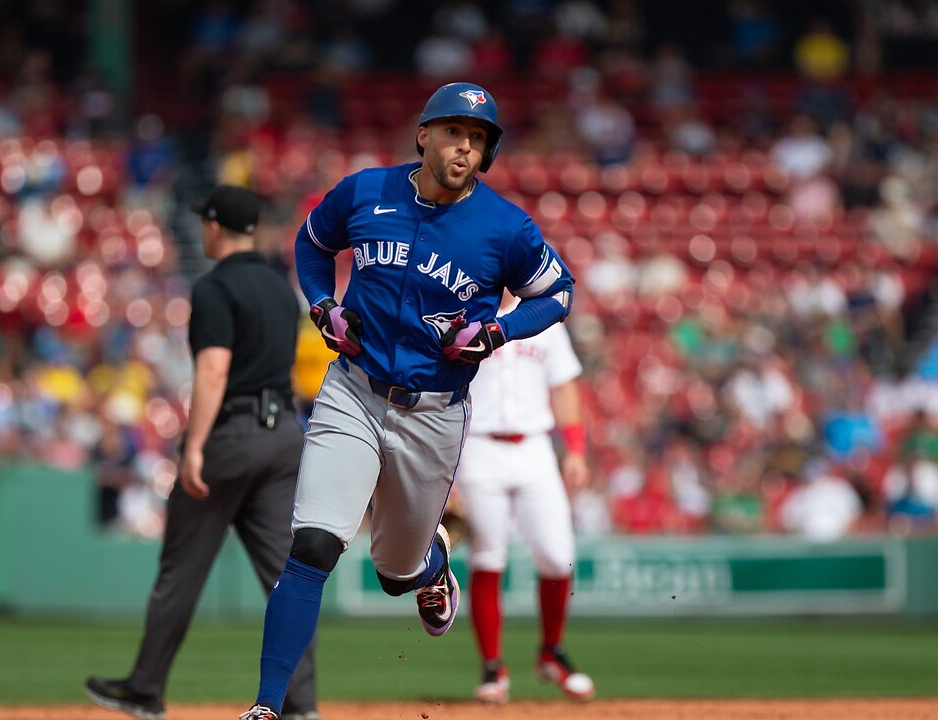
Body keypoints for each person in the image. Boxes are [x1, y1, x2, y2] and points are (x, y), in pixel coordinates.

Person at [237, 82, 575, 720]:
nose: (465, 148)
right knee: (313, 545)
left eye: (478, 140)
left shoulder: (504, 227)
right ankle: (266, 709)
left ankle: (431, 566)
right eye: (454, 132)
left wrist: (499, 329)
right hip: (353, 391)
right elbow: (311, 245)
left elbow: (558, 294)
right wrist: (322, 304)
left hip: (435, 412)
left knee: (394, 572)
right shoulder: (365, 191)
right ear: (424, 134)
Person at [86, 185, 320, 720]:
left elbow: (213, 368)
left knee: (180, 571)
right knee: (292, 579)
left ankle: (145, 689)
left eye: (204, 222)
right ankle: (301, 705)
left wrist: (193, 446)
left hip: (232, 435)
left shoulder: (216, 286)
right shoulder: (283, 290)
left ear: (215, 226)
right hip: (283, 433)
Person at [452, 290, 595, 705]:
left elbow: (565, 385)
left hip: (534, 446)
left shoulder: (543, 317)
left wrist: (576, 449)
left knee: (557, 555)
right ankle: (493, 668)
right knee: (488, 557)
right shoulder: (462, 313)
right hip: (477, 446)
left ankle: (551, 651)